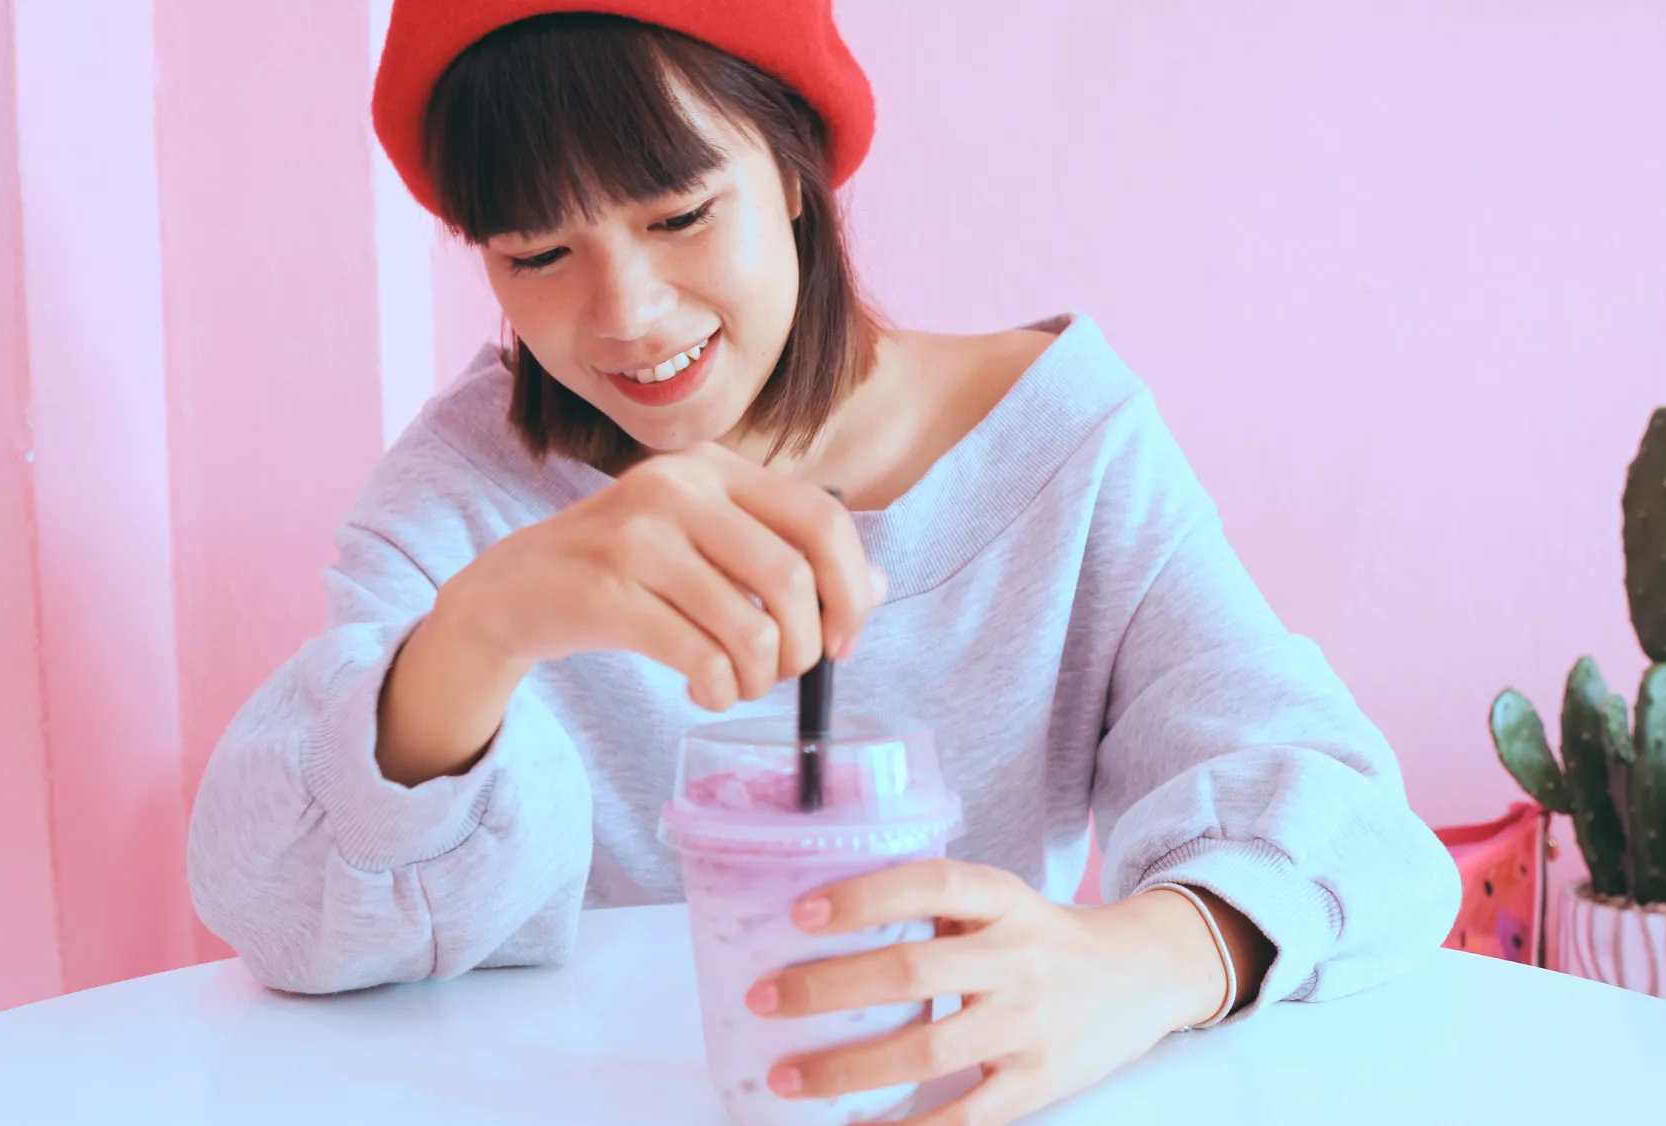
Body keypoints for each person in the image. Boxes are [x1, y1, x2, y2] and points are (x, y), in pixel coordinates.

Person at [186, 2, 1462, 1122]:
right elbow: (274, 902)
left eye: (680, 212)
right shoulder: (460, 496)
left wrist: (1144, 959)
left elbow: (1355, 827)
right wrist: (483, 628)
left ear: (794, 169)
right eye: (535, 253)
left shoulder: (1061, 448)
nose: (624, 312)